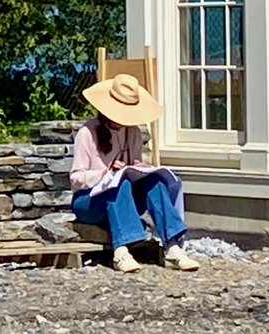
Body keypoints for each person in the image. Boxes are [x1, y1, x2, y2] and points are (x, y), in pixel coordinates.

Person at [70, 73, 199, 273]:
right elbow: (76, 179)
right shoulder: (88, 133)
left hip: (122, 197)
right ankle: (121, 251)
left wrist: (140, 167)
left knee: (153, 181)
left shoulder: (133, 133)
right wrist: (104, 173)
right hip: (89, 201)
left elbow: (131, 169)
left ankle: (172, 246)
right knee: (118, 184)